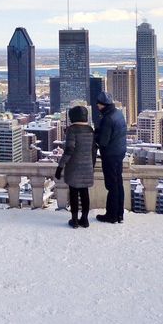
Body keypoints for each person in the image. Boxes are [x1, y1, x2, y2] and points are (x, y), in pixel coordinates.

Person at [55, 105, 96, 228]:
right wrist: (91, 165)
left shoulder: (72, 130)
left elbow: (69, 150)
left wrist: (60, 167)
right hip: (88, 165)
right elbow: (94, 150)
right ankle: (85, 219)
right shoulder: (90, 130)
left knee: (73, 193)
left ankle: (74, 220)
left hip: (74, 166)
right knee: (84, 193)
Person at [94, 91, 127, 224]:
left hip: (110, 155)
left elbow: (103, 141)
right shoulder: (118, 113)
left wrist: (95, 135)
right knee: (118, 183)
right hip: (119, 152)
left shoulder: (107, 119)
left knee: (112, 185)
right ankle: (119, 214)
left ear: (102, 105)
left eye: (99, 104)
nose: (97, 106)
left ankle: (111, 215)